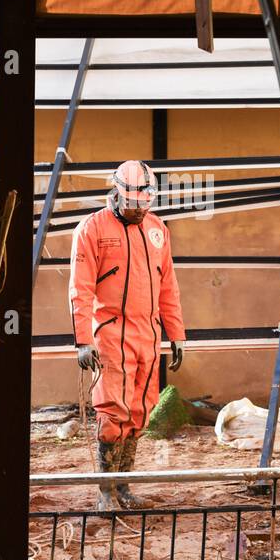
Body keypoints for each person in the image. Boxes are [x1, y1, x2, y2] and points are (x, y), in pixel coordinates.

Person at [69, 160, 186, 512]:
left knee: (138, 411)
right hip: (109, 333)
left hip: (147, 334)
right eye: (132, 203)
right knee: (112, 411)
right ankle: (104, 491)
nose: (138, 210)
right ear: (117, 193)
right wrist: (82, 339)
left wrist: (176, 333)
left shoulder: (157, 230)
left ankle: (123, 486)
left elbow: (169, 286)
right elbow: (81, 287)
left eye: (144, 203)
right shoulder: (92, 229)